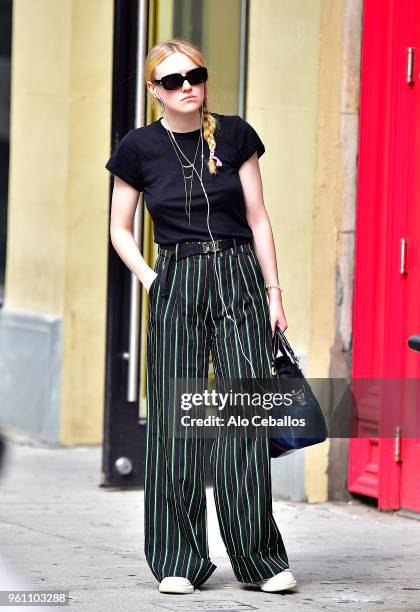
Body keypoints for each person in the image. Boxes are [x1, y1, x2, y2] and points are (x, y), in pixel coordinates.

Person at [105, 38, 297, 596]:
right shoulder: (138, 148)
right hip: (177, 279)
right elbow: (120, 227)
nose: (186, 86)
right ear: (153, 91)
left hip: (239, 277)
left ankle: (260, 559)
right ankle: (178, 559)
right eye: (171, 81)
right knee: (176, 423)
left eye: (195, 75)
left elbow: (258, 219)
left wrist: (274, 292)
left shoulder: (235, 135)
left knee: (242, 418)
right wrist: (150, 277)